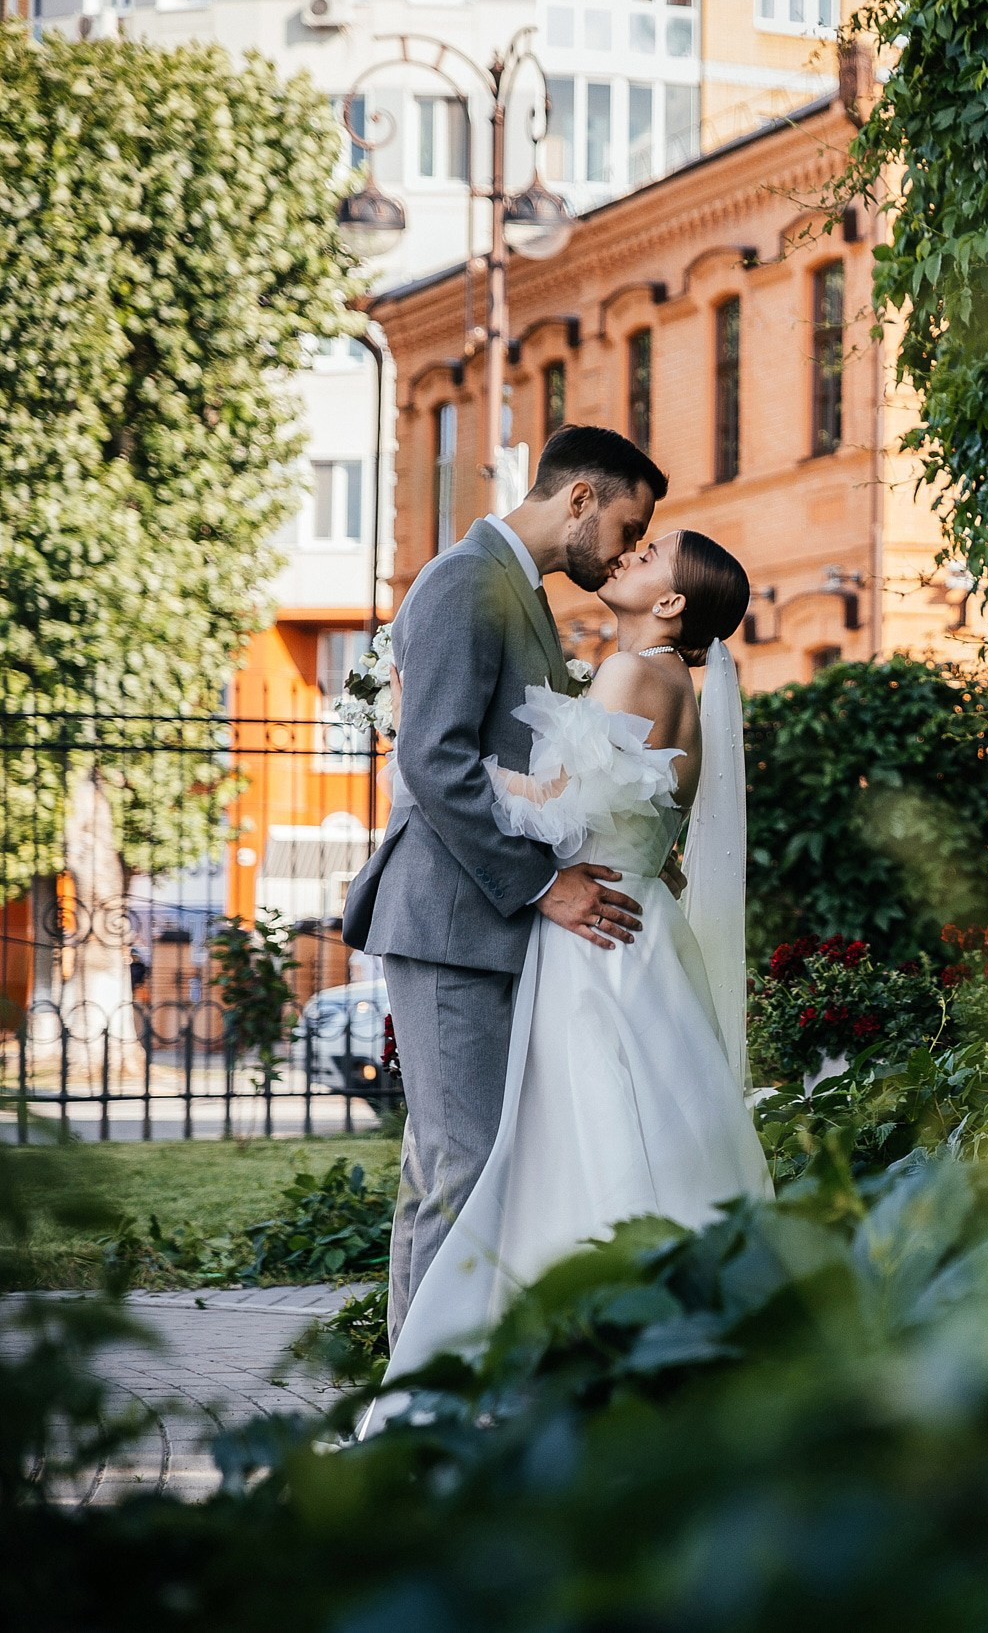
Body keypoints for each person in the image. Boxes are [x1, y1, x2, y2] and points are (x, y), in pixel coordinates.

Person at [376, 527, 770, 1393]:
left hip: (592, 935)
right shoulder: (676, 684)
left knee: (581, 1134)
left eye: (649, 553)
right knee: (648, 1126)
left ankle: (571, 1359)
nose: (629, 554)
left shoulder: (632, 673)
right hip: (640, 930)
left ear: (671, 601)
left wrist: (422, 740)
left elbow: (556, 812)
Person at [342, 425, 662, 1347]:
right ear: (580, 499)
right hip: (449, 920)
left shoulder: (515, 588)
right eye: (627, 526)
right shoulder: (465, 580)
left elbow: (528, 768)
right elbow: (434, 762)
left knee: (444, 1169)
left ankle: (414, 1385)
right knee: (467, 1167)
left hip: (478, 923)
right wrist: (542, 885)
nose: (627, 551)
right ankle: (430, 1400)